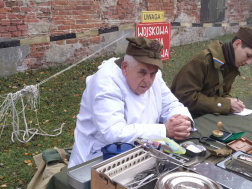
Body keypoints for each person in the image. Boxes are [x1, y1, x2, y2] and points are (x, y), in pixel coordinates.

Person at [68, 37, 193, 168]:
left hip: (142, 154)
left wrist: (182, 121)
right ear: (125, 67)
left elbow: (171, 104)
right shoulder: (106, 83)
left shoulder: (153, 76)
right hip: (98, 159)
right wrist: (164, 131)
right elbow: (114, 134)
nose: (148, 80)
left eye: (152, 73)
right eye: (142, 73)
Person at [170, 26, 252, 118]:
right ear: (237, 44)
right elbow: (184, 98)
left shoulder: (231, 64)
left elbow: (221, 93)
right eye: (248, 55)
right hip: (185, 118)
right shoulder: (202, 61)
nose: (249, 62)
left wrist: (230, 101)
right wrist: (224, 104)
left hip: (207, 116)